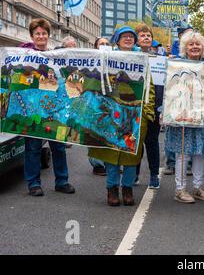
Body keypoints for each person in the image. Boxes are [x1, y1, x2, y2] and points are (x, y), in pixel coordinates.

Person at [88, 26, 155, 206]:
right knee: (111, 154)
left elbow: (150, 87)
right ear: (117, 40)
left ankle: (127, 189)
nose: (128, 39)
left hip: (135, 115)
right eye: (124, 36)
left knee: (132, 156)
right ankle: (112, 189)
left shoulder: (142, 60)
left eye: (131, 37)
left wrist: (147, 113)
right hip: (112, 114)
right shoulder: (106, 58)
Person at [20, 18, 75, 196]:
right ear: (32, 36)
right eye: (37, 33)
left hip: (55, 110)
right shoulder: (24, 54)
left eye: (44, 33)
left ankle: (62, 181)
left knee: (58, 147)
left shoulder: (55, 58)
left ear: (48, 36)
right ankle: (34, 184)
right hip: (32, 111)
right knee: (33, 148)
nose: (41, 36)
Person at [164, 31, 204, 204]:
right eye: (191, 44)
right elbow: (169, 89)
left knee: (200, 152)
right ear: (185, 47)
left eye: (198, 44)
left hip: (202, 114)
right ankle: (180, 190)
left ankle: (198, 187)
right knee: (183, 152)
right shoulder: (176, 65)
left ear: (203, 47)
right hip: (182, 114)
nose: (195, 47)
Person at [134, 23, 163, 189]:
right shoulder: (131, 56)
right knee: (136, 142)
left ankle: (154, 175)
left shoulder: (159, 58)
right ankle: (134, 174)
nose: (146, 37)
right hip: (135, 106)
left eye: (148, 35)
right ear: (137, 40)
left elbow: (163, 85)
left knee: (152, 142)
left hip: (153, 106)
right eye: (142, 35)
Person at [87, 37, 111, 177]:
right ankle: (97, 164)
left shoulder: (116, 61)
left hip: (109, 102)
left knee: (109, 133)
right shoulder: (91, 61)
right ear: (96, 47)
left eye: (107, 44)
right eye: (102, 44)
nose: (105, 46)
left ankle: (110, 163)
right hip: (94, 101)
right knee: (94, 134)